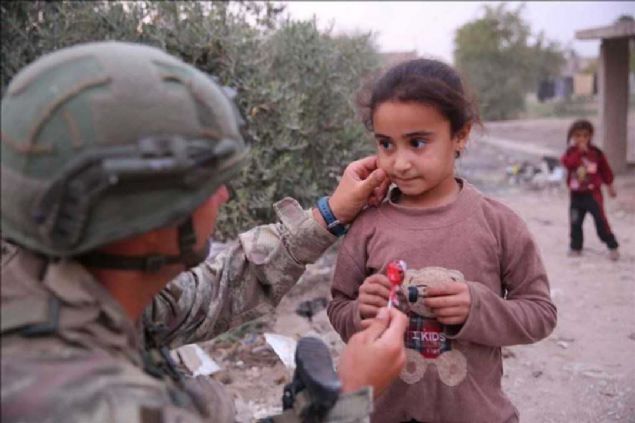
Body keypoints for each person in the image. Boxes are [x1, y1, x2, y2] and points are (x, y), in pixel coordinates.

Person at [0, 41, 409, 423]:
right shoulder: (76, 401)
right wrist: (350, 397)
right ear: (149, 219)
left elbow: (211, 292)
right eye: (206, 184)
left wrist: (327, 216)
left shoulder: (66, 281)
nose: (224, 195)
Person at [326, 58, 557, 422]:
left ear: (460, 135)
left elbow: (541, 314)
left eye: (417, 143)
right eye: (386, 144)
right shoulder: (368, 225)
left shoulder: (498, 224)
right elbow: (339, 307)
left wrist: (477, 307)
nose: (399, 163)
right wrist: (361, 311)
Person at [560, 119, 620, 260]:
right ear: (572, 136)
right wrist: (579, 153)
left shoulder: (596, 153)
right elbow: (568, 164)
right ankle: (575, 247)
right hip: (576, 195)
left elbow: (605, 171)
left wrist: (610, 186)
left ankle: (612, 246)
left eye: (585, 136)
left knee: (601, 221)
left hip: (593, 195)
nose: (581, 139)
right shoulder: (570, 153)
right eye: (577, 135)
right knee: (575, 222)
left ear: (590, 136)